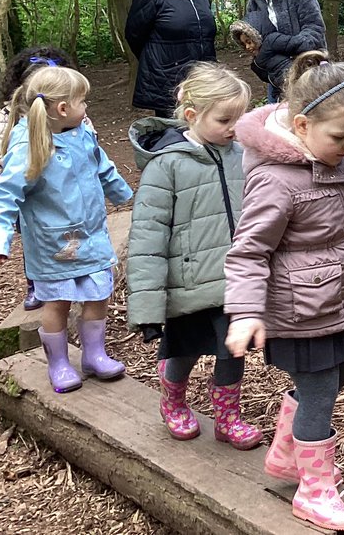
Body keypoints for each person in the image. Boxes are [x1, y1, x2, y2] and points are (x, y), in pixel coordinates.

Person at [224, 53, 344, 531]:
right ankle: (313, 489)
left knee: (338, 373)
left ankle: (286, 453)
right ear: (301, 126)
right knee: (321, 390)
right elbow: (247, 252)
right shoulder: (275, 180)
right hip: (300, 310)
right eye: (339, 138)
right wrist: (244, 312)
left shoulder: (340, 161)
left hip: (338, 299)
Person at [127, 63, 261, 448]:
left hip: (235, 281)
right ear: (192, 115)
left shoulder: (243, 155)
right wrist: (147, 309)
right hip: (187, 285)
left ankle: (227, 417)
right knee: (184, 351)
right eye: (224, 119)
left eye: (240, 118)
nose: (234, 127)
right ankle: (172, 399)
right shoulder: (166, 165)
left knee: (233, 350)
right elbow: (147, 239)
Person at [0, 65, 134, 394]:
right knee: (57, 303)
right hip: (55, 245)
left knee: (98, 294)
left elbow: (102, 166)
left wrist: (123, 194)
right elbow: (3, 197)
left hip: (91, 234)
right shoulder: (28, 146)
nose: (87, 107)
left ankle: (94, 354)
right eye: (83, 101)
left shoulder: (82, 132)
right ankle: (59, 362)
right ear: (62, 109)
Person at [0, 46, 97, 311]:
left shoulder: (74, 115)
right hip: (31, 194)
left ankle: (79, 273)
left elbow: (90, 144)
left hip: (68, 190)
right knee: (35, 238)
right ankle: (36, 283)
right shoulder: (10, 114)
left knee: (74, 232)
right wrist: (33, 159)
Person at [125, 0, 217, 117]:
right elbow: (134, 35)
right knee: (174, 135)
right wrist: (158, 61)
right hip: (169, 80)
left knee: (204, 130)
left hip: (203, 77)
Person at [241, 0, 327, 102]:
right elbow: (257, 41)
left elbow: (314, 31)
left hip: (312, 74)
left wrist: (282, 44)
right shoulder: (253, 2)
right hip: (277, 79)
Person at [229, 11, 294, 101]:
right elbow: (272, 81)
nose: (247, 47)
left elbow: (299, 44)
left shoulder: (272, 41)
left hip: (298, 85)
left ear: (256, 36)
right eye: (244, 44)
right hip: (283, 94)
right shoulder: (256, 65)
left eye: (249, 42)